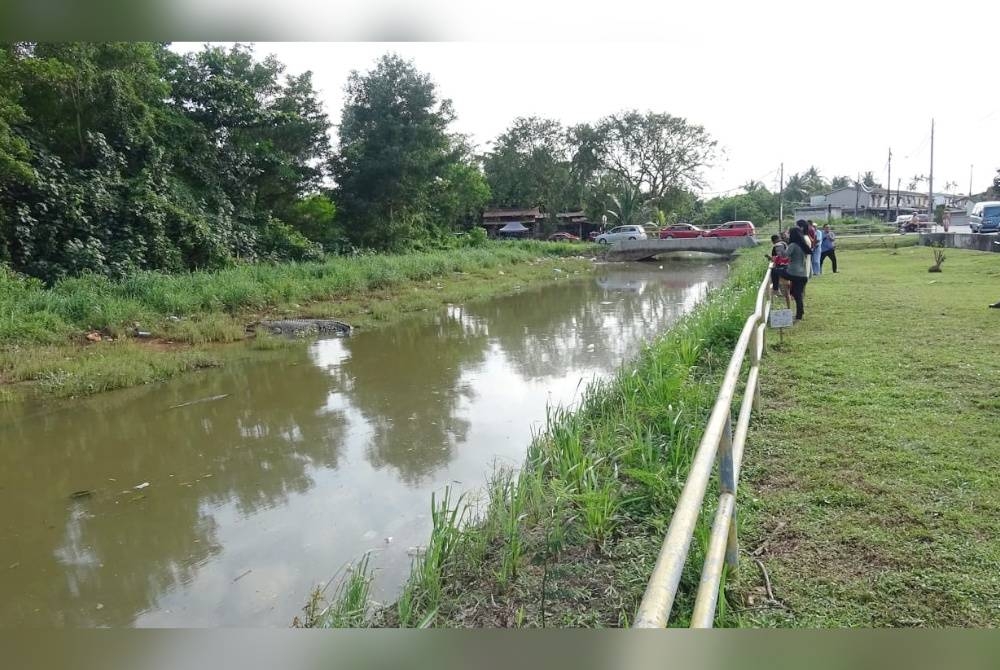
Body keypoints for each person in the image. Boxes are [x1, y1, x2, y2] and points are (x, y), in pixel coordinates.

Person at [780, 226, 810, 320]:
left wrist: (780, 248)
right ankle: (800, 314)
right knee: (797, 295)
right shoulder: (803, 244)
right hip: (803, 274)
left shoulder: (793, 245)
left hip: (793, 273)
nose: (788, 235)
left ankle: (776, 289)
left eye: (789, 233)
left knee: (775, 271)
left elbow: (785, 256)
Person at [766, 234, 790, 306]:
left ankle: (776, 289)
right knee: (787, 293)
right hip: (789, 266)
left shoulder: (776, 246)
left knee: (773, 271)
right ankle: (789, 308)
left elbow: (778, 258)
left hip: (781, 269)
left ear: (773, 241)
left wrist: (769, 257)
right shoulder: (785, 244)